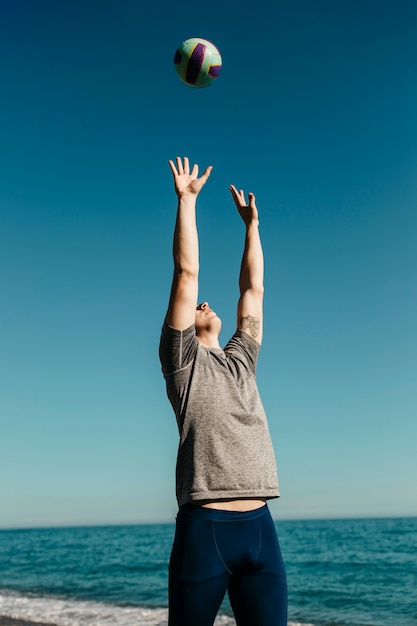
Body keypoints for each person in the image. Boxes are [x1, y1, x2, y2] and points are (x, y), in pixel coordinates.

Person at [159, 156, 287, 626]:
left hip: (260, 527)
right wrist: (187, 201)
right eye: (196, 307)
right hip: (205, 529)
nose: (203, 302)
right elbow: (185, 275)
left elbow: (254, 290)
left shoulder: (241, 361)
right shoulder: (182, 362)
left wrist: (252, 227)